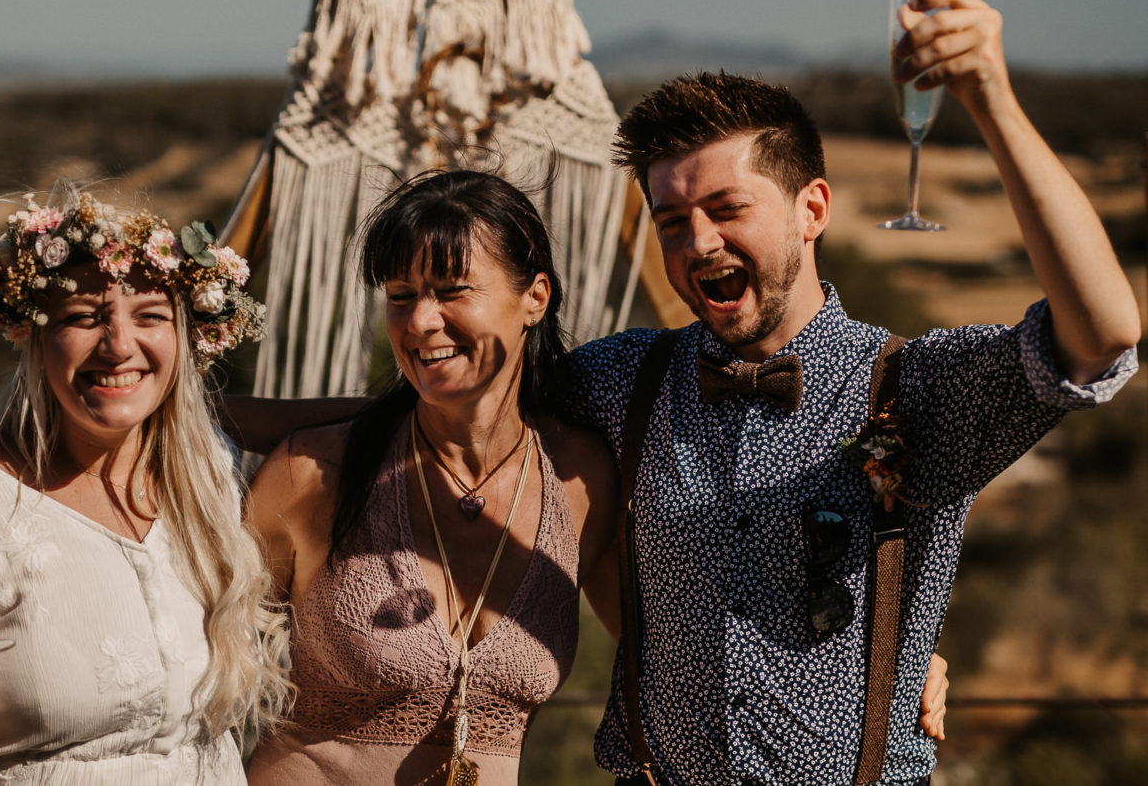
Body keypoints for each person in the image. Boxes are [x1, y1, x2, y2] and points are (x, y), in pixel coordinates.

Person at [568, 0, 1140, 784]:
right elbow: (463, 405)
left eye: (727, 207)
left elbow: (1102, 333)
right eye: (672, 220)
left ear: (813, 209)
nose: (698, 241)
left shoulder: (913, 389)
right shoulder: (624, 378)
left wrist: (991, 100)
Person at [229, 169, 951, 785]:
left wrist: (882, 661)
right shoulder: (310, 475)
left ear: (534, 298)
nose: (420, 322)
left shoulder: (580, 478)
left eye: (453, 289)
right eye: (399, 296)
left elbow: (678, 640)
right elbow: (186, 644)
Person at [0, 188, 291, 784]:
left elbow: (335, 425)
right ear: (33, 337)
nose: (119, 345)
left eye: (149, 315)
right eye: (82, 317)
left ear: (184, 337)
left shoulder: (206, 477)